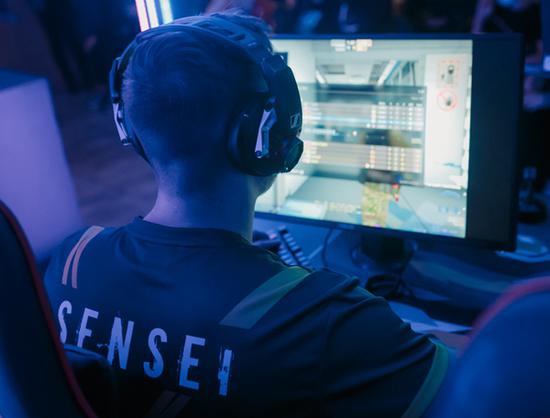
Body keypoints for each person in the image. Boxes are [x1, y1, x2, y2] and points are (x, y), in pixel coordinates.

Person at [44, 12, 450, 418]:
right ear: (268, 134)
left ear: (130, 129)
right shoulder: (323, 320)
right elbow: (474, 387)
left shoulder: (71, 263)